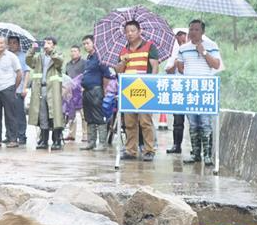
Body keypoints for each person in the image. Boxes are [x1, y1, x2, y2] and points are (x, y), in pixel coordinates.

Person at [177, 20, 221, 166]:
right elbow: (181, 67)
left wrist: (203, 52)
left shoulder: (212, 46)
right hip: (190, 89)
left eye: (196, 29)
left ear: (202, 32)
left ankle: (207, 155)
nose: (193, 32)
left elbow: (216, 65)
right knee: (193, 123)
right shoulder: (183, 48)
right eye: (191, 29)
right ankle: (196, 154)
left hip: (205, 90)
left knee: (205, 122)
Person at [114, 21, 159, 161]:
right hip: (128, 90)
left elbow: (155, 67)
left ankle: (149, 150)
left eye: (133, 30)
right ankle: (130, 150)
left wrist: (151, 84)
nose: (130, 33)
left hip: (145, 89)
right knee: (130, 122)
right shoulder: (123, 50)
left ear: (139, 31)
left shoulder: (149, 46)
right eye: (127, 31)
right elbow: (118, 71)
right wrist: (123, 62)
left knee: (145, 121)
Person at [26, 37, 65, 150]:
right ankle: (43, 140)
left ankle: (56, 140)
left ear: (54, 45)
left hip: (53, 90)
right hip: (40, 88)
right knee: (42, 115)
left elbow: (59, 62)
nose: (46, 45)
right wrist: (32, 50)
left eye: (49, 43)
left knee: (54, 115)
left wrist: (51, 52)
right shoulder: (39, 57)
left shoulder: (58, 55)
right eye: (45, 43)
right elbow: (29, 62)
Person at [80, 35, 113, 150]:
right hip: (87, 91)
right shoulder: (88, 58)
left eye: (87, 43)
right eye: (84, 44)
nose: (85, 46)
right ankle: (91, 142)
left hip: (96, 90)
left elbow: (106, 76)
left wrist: (104, 91)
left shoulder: (100, 57)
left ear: (94, 43)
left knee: (99, 116)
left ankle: (102, 143)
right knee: (89, 117)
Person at [165, 30, 188, 154]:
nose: (181, 39)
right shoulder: (174, 53)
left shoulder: (194, 51)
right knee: (178, 120)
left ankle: (197, 150)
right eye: (178, 37)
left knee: (195, 121)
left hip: (191, 89)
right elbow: (168, 70)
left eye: (183, 36)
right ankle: (176, 145)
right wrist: (176, 60)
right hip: (178, 89)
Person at [7, 35, 30, 145]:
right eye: (10, 43)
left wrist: (25, 87)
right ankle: (10, 135)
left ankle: (22, 136)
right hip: (6, 88)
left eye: (14, 43)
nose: (12, 45)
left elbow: (27, 73)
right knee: (8, 114)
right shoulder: (5, 56)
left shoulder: (23, 56)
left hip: (19, 89)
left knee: (19, 114)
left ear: (19, 44)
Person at [64, 45, 86, 142]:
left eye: (75, 51)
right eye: (71, 51)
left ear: (79, 52)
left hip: (81, 90)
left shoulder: (84, 63)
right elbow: (66, 77)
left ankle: (85, 135)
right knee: (70, 113)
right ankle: (71, 134)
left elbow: (85, 75)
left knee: (83, 114)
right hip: (71, 92)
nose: (73, 53)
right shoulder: (68, 64)